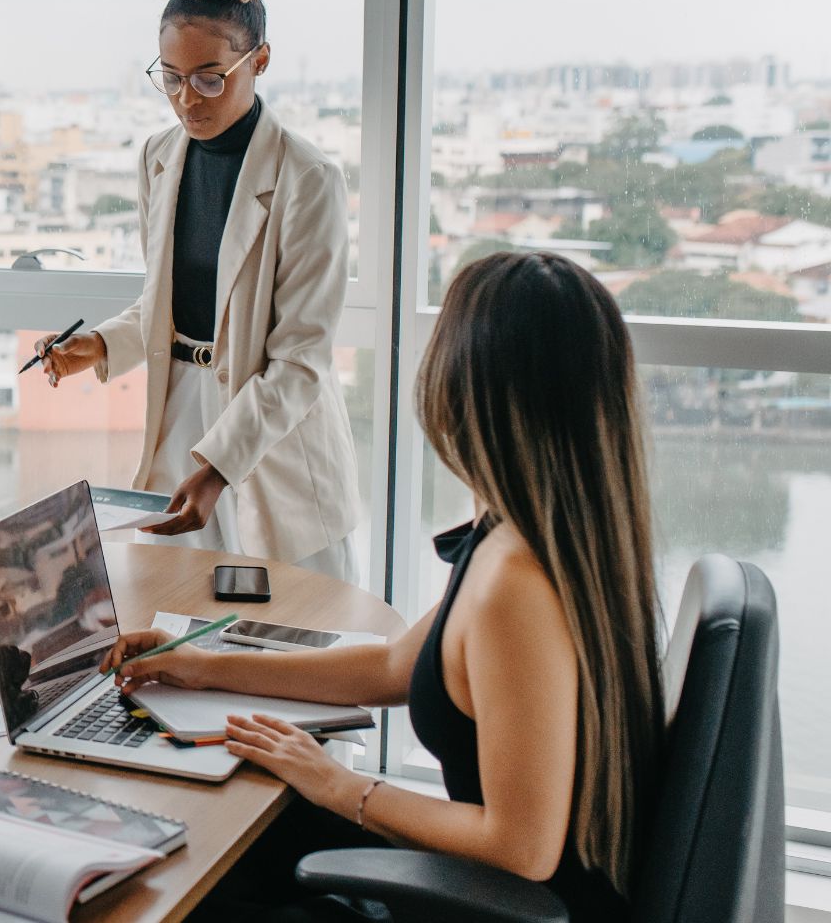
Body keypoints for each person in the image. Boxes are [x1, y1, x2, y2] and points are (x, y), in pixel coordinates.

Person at [103, 252, 664, 921]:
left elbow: (523, 849)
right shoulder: (535, 531)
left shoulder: (517, 582)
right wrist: (205, 666)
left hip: (489, 903)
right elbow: (395, 665)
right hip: (480, 888)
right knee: (212, 849)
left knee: (183, 887)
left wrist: (338, 784)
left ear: (466, 387)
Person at [37, 0, 359, 579]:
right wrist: (97, 347)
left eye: (211, 77)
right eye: (172, 77)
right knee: (175, 618)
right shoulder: (158, 158)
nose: (188, 98)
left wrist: (218, 468)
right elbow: (166, 306)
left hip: (274, 434)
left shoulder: (309, 179)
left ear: (259, 61)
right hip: (180, 417)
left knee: (293, 637)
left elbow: (300, 360)